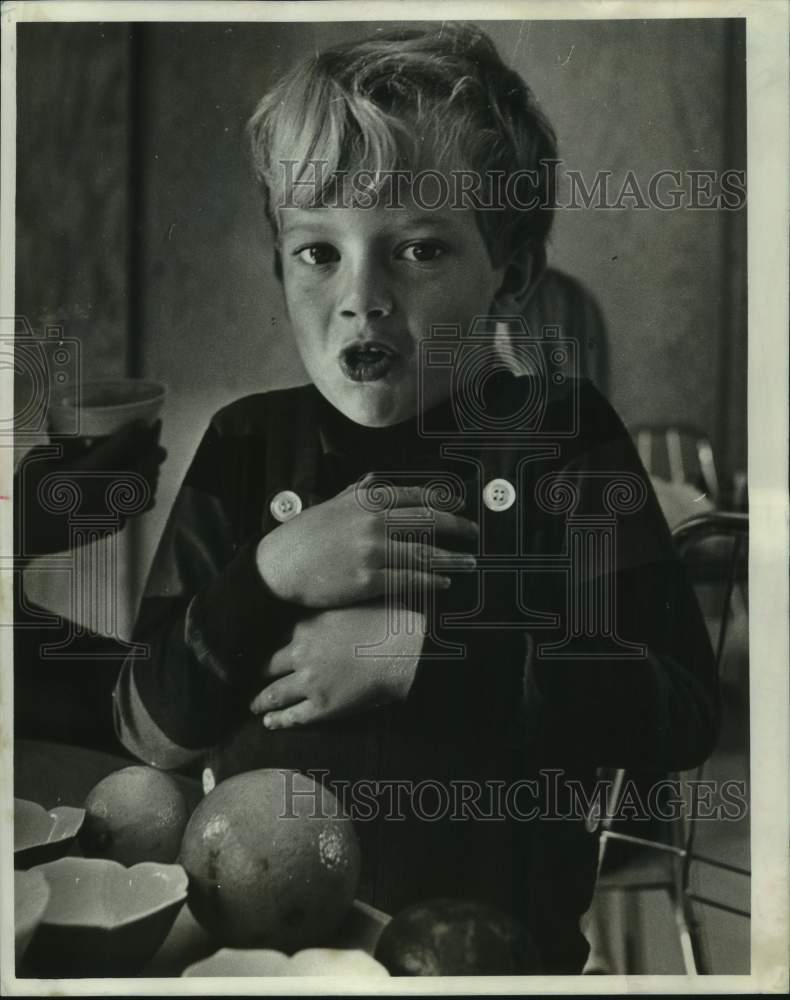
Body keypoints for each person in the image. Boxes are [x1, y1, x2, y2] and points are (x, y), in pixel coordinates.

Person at [113, 23, 718, 973]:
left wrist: (425, 656)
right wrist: (270, 572)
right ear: (279, 267)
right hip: (266, 961)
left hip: (501, 959)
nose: (363, 296)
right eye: (318, 252)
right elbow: (149, 728)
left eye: (420, 250)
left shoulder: (565, 438)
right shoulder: (243, 444)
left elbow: (683, 711)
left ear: (510, 278)